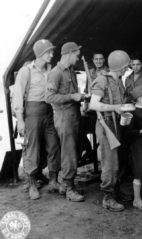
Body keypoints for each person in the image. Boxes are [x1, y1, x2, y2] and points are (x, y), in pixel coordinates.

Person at [13, 39, 61, 200]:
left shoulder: (51, 70)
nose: (52, 54)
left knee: (54, 145)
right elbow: (18, 96)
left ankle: (54, 180)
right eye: (49, 52)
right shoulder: (26, 71)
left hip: (48, 111)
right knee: (31, 149)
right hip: (32, 113)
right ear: (40, 54)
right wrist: (20, 120)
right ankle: (32, 184)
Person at [89, 50, 131, 212]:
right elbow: (93, 104)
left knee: (117, 160)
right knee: (109, 161)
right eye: (125, 67)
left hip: (115, 123)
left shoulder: (118, 81)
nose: (126, 69)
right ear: (119, 67)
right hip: (105, 124)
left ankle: (115, 191)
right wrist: (115, 108)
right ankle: (108, 197)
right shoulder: (102, 80)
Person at [46, 42, 85, 202]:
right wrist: (72, 97)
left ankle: (64, 184)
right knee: (69, 153)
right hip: (64, 116)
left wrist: (79, 97)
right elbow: (49, 97)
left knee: (74, 151)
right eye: (76, 55)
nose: (78, 58)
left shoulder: (70, 71)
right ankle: (69, 189)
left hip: (73, 114)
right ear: (69, 53)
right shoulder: (56, 73)